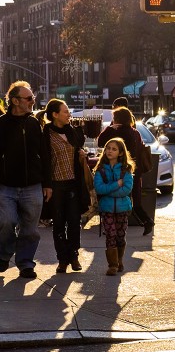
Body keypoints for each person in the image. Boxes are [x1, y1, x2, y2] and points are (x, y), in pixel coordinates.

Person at [0, 81, 52, 279]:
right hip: (6, 187)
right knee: (6, 222)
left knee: (30, 229)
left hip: (33, 186)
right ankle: (3, 256)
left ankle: (25, 264)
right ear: (15, 101)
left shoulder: (34, 124)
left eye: (33, 98)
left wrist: (47, 184)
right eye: (29, 98)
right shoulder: (1, 125)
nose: (33, 101)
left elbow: (44, 155)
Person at [42, 99, 90, 273]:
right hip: (55, 185)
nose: (69, 114)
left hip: (73, 184)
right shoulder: (46, 133)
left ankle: (74, 255)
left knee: (74, 221)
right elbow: (45, 162)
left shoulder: (74, 132)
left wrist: (81, 155)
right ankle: (62, 259)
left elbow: (80, 150)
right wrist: (46, 185)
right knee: (59, 223)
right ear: (55, 115)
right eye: (65, 111)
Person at [97, 106, 155, 235]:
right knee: (135, 200)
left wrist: (110, 128)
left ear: (117, 119)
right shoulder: (135, 132)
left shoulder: (116, 132)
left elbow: (100, 142)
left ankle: (115, 226)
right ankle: (146, 221)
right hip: (135, 171)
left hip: (121, 172)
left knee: (119, 199)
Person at [93, 138, 134, 276]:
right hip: (107, 208)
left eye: (114, 149)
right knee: (110, 234)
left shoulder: (126, 169)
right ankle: (113, 265)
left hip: (122, 208)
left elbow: (127, 188)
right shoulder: (100, 170)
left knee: (120, 236)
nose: (110, 151)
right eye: (108, 148)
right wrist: (116, 184)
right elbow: (99, 188)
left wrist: (109, 190)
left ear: (121, 153)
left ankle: (119, 259)